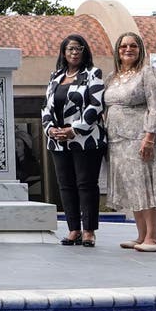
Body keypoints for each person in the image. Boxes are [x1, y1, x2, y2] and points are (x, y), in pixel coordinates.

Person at [104, 32, 156, 253]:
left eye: (133, 46)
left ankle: (153, 238)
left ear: (140, 50)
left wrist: (150, 137)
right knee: (133, 187)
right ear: (117, 51)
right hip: (118, 141)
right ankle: (140, 235)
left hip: (141, 137)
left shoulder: (148, 73)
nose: (128, 49)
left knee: (147, 187)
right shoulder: (113, 77)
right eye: (123, 46)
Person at [41, 33, 105, 247]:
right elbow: (46, 107)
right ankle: (73, 230)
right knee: (66, 186)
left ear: (85, 51)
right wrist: (51, 130)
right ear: (63, 53)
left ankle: (88, 231)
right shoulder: (55, 76)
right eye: (70, 49)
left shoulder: (92, 74)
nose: (74, 52)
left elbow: (96, 105)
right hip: (57, 141)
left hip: (85, 140)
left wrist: (73, 129)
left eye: (79, 48)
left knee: (86, 184)